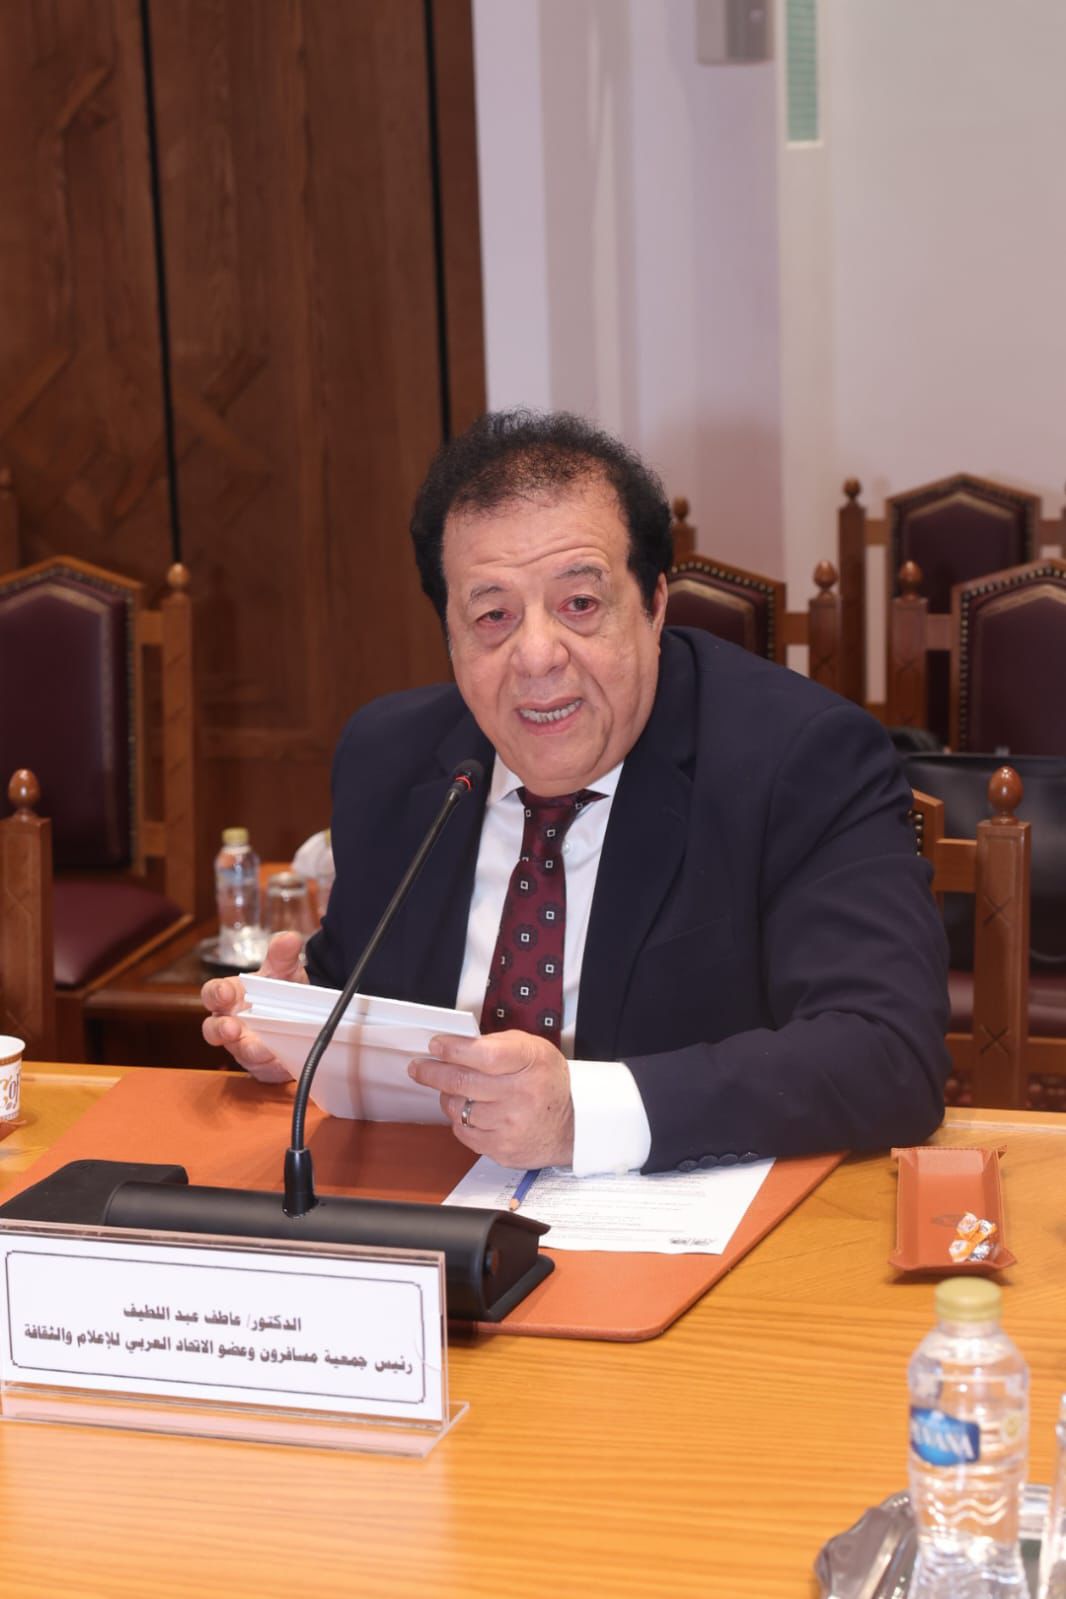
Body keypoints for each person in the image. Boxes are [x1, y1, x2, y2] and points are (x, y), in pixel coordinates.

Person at [202, 409, 950, 1174]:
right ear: (450, 636)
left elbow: (889, 1052)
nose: (536, 655)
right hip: (426, 1204)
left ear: (655, 605)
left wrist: (580, 1115)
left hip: (692, 1222)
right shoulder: (389, 759)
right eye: (493, 615)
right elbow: (362, 982)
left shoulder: (801, 759)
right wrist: (301, 1025)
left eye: (580, 605)